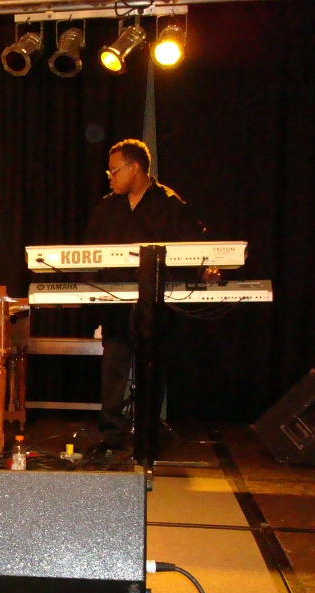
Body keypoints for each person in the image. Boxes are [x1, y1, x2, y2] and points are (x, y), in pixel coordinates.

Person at [85, 139, 204, 451]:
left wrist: (208, 270)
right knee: (113, 367)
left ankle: (148, 433)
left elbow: (195, 247)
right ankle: (112, 434)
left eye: (114, 170)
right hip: (116, 304)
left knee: (152, 367)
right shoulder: (108, 207)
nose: (109, 177)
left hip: (155, 304)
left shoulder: (169, 203)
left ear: (134, 168)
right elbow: (89, 253)